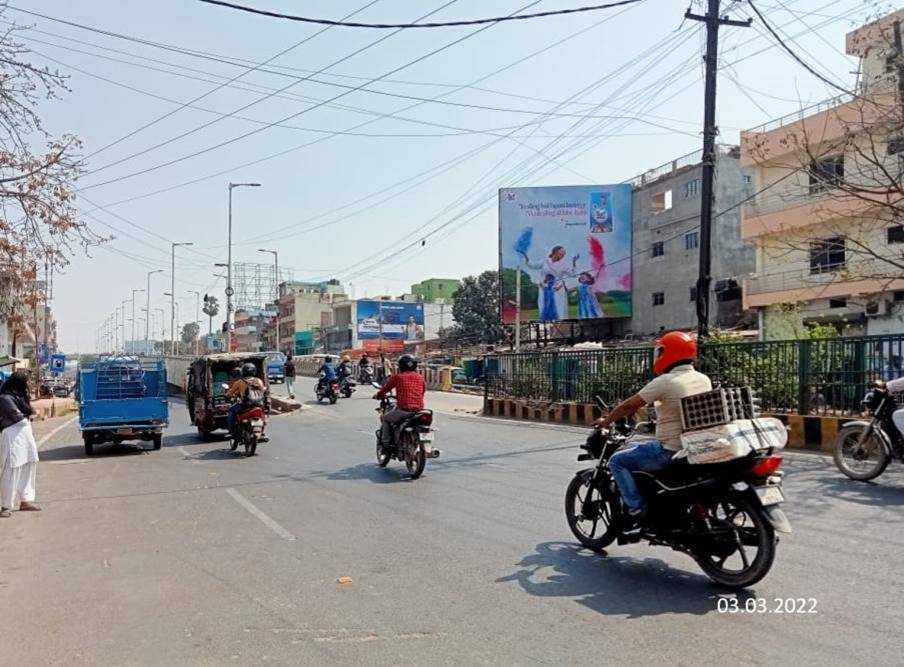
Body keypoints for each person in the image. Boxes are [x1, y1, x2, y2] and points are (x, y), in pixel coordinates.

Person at [596, 331, 711, 528]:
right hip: (695, 447)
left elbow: (628, 406)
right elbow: (681, 411)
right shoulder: (703, 379)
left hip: (670, 449)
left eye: (660, 352)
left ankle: (636, 508)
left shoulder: (665, 382)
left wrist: (606, 421)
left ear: (668, 353)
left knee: (617, 461)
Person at [0, 371, 40, 517]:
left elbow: (30, 412)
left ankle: (26, 500)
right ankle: (6, 506)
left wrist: (30, 414)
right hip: (12, 435)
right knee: (11, 469)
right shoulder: (5, 398)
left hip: (26, 434)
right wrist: (30, 415)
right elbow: (18, 417)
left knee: (29, 464)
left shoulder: (21, 396)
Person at [374, 354, 426, 450]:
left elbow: (385, 389)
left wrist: (378, 395)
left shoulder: (398, 377)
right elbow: (422, 392)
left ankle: (386, 445)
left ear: (401, 366)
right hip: (419, 410)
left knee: (386, 418)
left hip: (404, 410)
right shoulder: (420, 377)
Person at [226, 363, 267, 437]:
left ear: (243, 371)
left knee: (231, 410)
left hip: (245, 405)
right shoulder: (258, 380)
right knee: (263, 413)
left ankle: (231, 431)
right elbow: (263, 390)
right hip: (259, 404)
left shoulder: (239, 382)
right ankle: (262, 431)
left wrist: (227, 395)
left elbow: (230, 393)